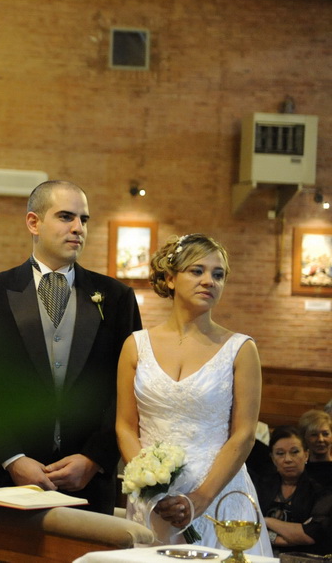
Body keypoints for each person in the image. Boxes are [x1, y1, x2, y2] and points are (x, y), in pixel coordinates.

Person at [0, 180, 142, 515]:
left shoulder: (117, 298)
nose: (78, 228)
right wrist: (12, 459)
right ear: (34, 222)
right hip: (8, 481)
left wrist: (95, 458)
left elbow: (129, 391)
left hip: (87, 487)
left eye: (84, 220)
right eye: (65, 217)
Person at [116, 233, 272, 554]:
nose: (209, 281)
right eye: (197, 271)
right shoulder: (136, 345)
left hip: (218, 494)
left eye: (218, 275)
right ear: (171, 279)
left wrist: (200, 499)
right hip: (151, 503)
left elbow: (243, 434)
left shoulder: (240, 349)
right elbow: (125, 426)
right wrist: (150, 488)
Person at [257, 425, 332, 555]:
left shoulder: (320, 490)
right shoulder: (260, 485)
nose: (288, 459)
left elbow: (310, 535)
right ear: (273, 458)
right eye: (280, 453)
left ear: (306, 455)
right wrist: (290, 535)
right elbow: (248, 525)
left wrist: (266, 521)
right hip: (260, 554)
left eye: (295, 452)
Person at [299, 409, 332, 488]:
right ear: (304, 438)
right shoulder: (299, 471)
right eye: (314, 435)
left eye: (325, 434)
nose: (320, 439)